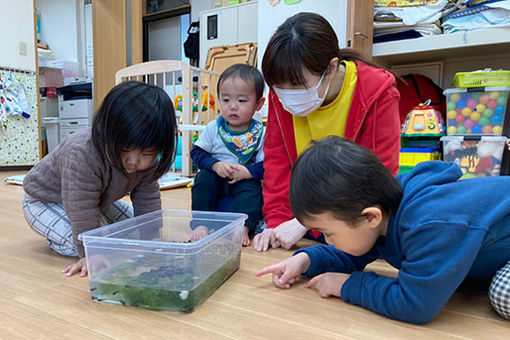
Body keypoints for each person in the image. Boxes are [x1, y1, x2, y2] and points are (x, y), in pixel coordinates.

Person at [256, 136, 510, 324]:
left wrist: (348, 286)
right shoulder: (381, 209)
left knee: (502, 294)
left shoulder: (429, 224)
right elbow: (356, 250)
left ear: (370, 217)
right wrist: (306, 259)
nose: (326, 240)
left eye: (328, 233)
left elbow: (416, 304)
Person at [253, 12, 401, 252]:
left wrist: (304, 222)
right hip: (305, 224)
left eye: (298, 87)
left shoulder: (376, 92)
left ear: (331, 68)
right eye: (279, 89)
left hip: (351, 225)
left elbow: (378, 178)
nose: (287, 97)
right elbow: (277, 165)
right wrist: (277, 222)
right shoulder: (282, 95)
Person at [22, 81, 177, 277]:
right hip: (43, 200)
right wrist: (89, 253)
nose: (133, 162)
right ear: (106, 133)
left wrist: (151, 239)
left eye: (146, 154)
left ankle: (84, 232)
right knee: (98, 246)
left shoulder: (149, 161)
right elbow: (81, 206)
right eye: (124, 150)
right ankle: (56, 237)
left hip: (97, 199)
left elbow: (148, 199)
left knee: (131, 229)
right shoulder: (82, 152)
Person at [190, 64, 265, 246]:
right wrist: (215, 165)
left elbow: (266, 165)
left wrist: (247, 172)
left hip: (243, 179)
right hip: (216, 176)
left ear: (258, 104)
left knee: (252, 190)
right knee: (202, 180)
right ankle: (202, 224)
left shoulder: (261, 132)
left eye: (241, 101)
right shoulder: (214, 128)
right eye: (225, 100)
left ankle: (244, 227)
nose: (232, 107)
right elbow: (197, 153)